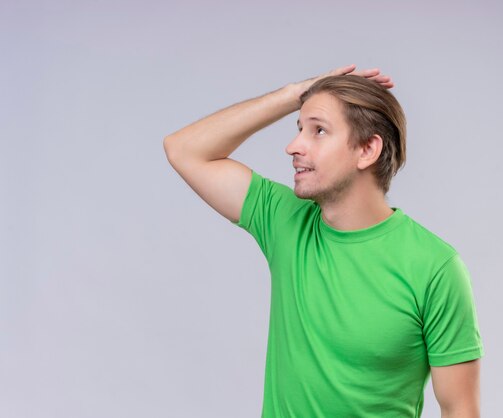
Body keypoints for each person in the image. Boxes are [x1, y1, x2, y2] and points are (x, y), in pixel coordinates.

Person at [163, 64, 485, 418]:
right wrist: (294, 94)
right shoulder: (284, 222)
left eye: (318, 131)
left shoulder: (435, 267)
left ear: (366, 150)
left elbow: (460, 410)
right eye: (299, 128)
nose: (292, 146)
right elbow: (184, 149)